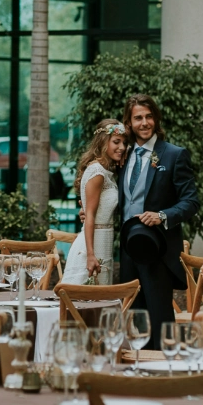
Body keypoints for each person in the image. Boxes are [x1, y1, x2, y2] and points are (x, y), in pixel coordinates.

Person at [117, 94, 198, 350]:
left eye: (149, 116)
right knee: (132, 316)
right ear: (129, 123)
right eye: (138, 117)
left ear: (156, 119)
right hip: (128, 250)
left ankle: (164, 373)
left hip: (158, 249)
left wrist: (162, 215)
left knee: (159, 318)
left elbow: (191, 202)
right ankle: (134, 374)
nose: (144, 122)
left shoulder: (174, 155)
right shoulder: (123, 155)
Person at [61, 119, 127, 285]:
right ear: (103, 141)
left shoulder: (106, 171)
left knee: (100, 299)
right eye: (116, 142)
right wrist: (90, 255)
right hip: (93, 244)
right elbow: (89, 216)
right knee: (89, 300)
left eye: (124, 143)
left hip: (104, 240)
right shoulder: (97, 172)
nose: (122, 147)